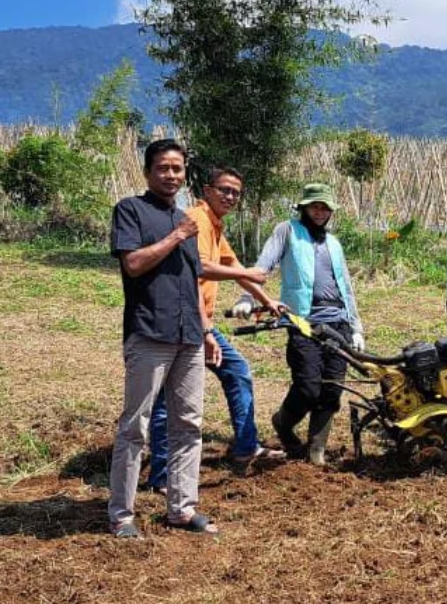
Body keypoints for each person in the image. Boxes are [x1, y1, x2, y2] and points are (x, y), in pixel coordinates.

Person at [144, 167, 285, 495]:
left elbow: (235, 270)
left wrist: (268, 301)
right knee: (169, 398)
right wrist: (206, 330)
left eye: (236, 192)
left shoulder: (215, 224)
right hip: (183, 321)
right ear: (207, 190)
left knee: (237, 371)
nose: (230, 196)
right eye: (224, 190)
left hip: (199, 320)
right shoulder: (197, 219)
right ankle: (161, 475)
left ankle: (246, 445)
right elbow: (199, 268)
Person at [107, 139, 215, 538]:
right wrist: (177, 236)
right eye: (163, 168)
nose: (172, 175)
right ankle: (122, 514)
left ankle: (182, 509)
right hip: (150, 332)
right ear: (148, 172)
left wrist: (206, 331)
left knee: (189, 424)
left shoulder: (186, 219)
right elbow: (133, 264)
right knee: (135, 426)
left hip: (188, 337)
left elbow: (191, 280)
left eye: (178, 168)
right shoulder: (131, 210)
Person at [233, 183, 364, 466]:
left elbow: (347, 288)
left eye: (325, 207)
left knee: (332, 390)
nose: (320, 212)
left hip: (337, 323)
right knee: (308, 386)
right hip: (304, 321)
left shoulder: (334, 243)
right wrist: (246, 297)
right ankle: (283, 422)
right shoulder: (288, 231)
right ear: (303, 207)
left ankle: (316, 450)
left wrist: (356, 327)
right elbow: (263, 265)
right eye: (315, 206)